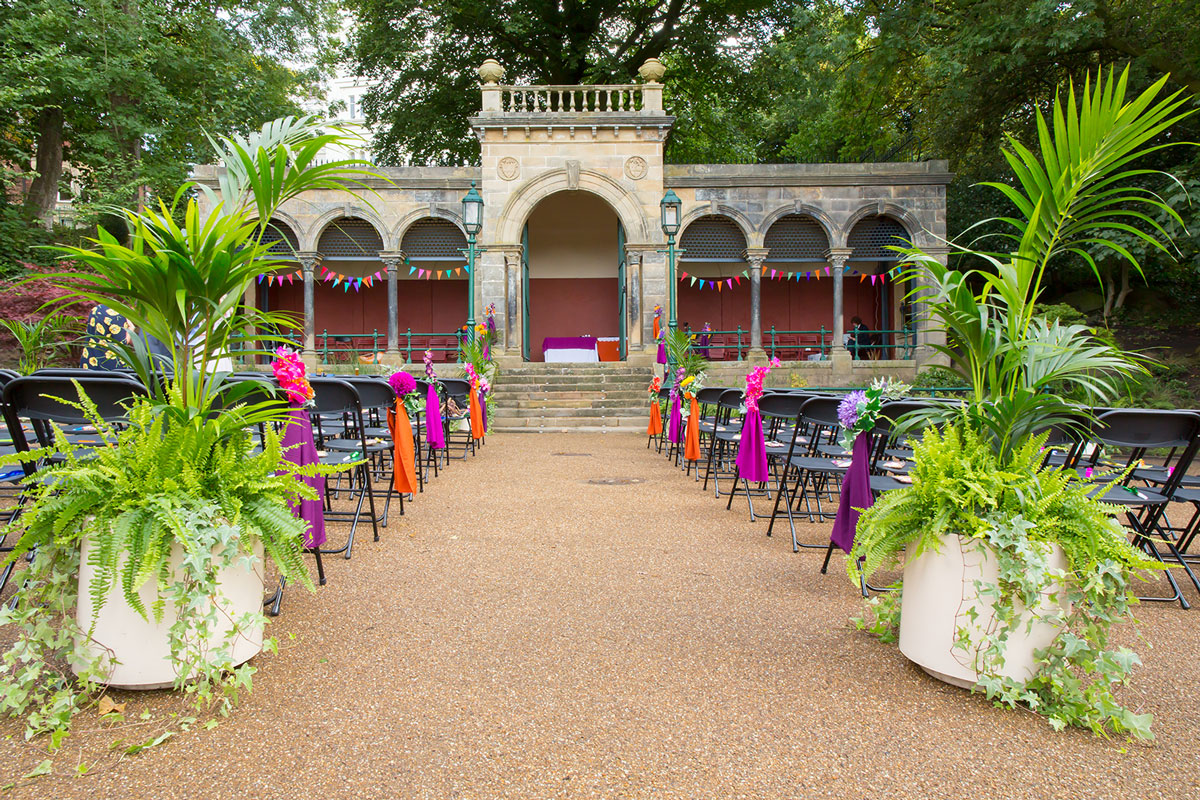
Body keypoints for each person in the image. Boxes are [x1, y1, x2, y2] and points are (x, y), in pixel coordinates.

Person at [80, 303, 134, 370]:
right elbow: (121, 343)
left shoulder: (97, 308)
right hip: (110, 367)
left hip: (89, 360)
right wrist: (131, 328)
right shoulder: (119, 315)